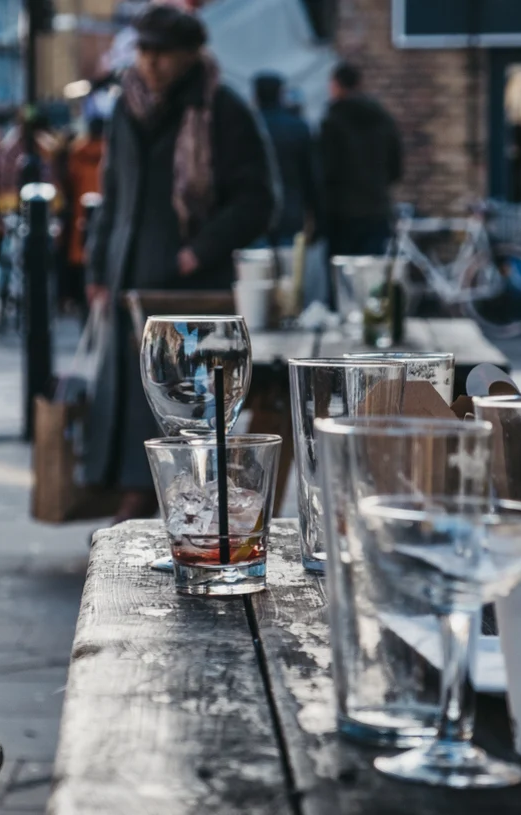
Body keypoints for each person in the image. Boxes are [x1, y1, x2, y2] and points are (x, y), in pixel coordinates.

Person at [84, 5, 275, 522]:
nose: (150, 63)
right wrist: (97, 269)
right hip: (128, 274)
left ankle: (154, 507)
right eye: (143, 50)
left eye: (161, 52)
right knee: (126, 397)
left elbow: (258, 200)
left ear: (191, 53)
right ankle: (131, 501)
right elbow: (112, 190)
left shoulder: (222, 109)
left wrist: (199, 251)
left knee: (178, 402)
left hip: (188, 285)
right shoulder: (126, 105)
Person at [320, 62, 402, 263]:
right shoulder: (383, 119)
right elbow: (396, 168)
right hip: (377, 209)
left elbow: (325, 170)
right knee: (373, 276)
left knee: (343, 277)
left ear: (336, 85)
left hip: (342, 214)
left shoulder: (332, 121)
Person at [253, 72, 319, 245]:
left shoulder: (249, 125)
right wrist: (316, 216)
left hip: (256, 214)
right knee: (290, 269)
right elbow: (311, 175)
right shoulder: (297, 127)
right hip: (290, 212)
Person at [62, 116, 106, 316]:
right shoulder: (110, 152)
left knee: (82, 264)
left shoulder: (77, 153)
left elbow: (69, 183)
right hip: (104, 217)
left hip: (81, 220)